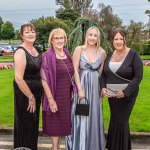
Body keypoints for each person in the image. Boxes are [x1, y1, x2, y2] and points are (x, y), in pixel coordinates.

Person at [101, 28, 143, 150]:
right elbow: (103, 74)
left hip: (127, 96)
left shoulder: (134, 54)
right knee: (115, 120)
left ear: (125, 39)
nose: (118, 41)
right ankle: (113, 146)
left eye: (121, 38)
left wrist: (125, 92)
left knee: (122, 121)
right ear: (112, 40)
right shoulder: (109, 55)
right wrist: (103, 87)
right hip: (112, 95)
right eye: (116, 39)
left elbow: (138, 76)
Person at [66, 26, 106, 150]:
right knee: (80, 114)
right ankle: (79, 145)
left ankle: (92, 145)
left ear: (98, 38)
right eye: (90, 34)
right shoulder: (79, 49)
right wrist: (79, 89)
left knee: (94, 115)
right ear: (86, 36)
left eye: (95, 35)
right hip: (81, 85)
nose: (92, 38)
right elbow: (75, 71)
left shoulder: (102, 52)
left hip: (95, 89)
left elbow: (101, 72)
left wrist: (101, 88)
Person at [40, 28, 74, 150]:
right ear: (51, 41)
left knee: (62, 125)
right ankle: (55, 148)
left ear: (65, 40)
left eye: (62, 38)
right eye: (56, 38)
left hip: (65, 96)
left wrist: (71, 89)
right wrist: (51, 100)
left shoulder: (67, 53)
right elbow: (44, 79)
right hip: (54, 95)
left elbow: (70, 74)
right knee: (55, 125)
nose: (59, 40)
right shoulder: (47, 56)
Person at [13, 23, 42, 149]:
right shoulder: (20, 52)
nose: (30, 34)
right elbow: (18, 78)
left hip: (36, 90)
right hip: (25, 92)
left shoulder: (37, 49)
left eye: (32, 32)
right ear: (22, 35)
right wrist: (30, 97)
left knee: (33, 123)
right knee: (25, 123)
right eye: (27, 32)